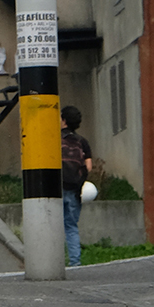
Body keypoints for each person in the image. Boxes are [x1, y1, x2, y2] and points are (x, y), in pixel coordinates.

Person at [62, 105, 93, 267]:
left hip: (57, 188)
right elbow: (88, 167)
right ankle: (75, 261)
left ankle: (53, 261)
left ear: (64, 120)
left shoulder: (55, 138)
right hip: (75, 190)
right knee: (71, 226)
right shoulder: (82, 142)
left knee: (54, 225)